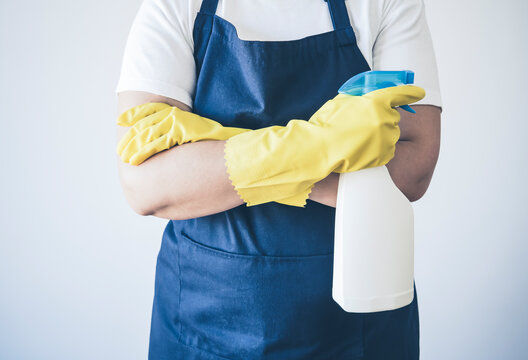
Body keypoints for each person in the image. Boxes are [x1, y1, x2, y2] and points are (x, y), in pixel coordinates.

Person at [115, 0, 442, 358]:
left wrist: (219, 146)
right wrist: (325, 144)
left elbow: (413, 168)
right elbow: (146, 183)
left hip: (359, 315)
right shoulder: (176, 5)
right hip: (202, 316)